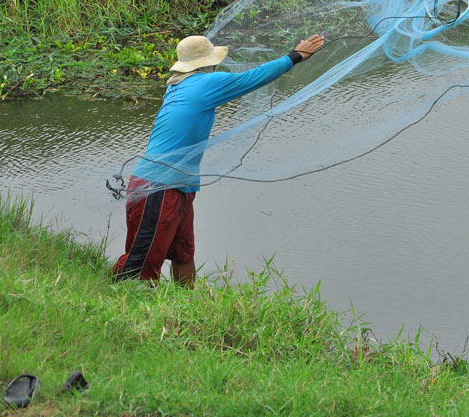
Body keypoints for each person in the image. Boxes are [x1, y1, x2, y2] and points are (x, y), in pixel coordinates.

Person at [113, 33, 324, 285]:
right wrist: (296, 56)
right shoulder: (205, 83)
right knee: (141, 264)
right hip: (157, 186)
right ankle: (119, 300)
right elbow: (254, 77)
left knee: (183, 253)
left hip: (178, 185)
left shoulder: (178, 83)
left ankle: (189, 305)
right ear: (205, 63)